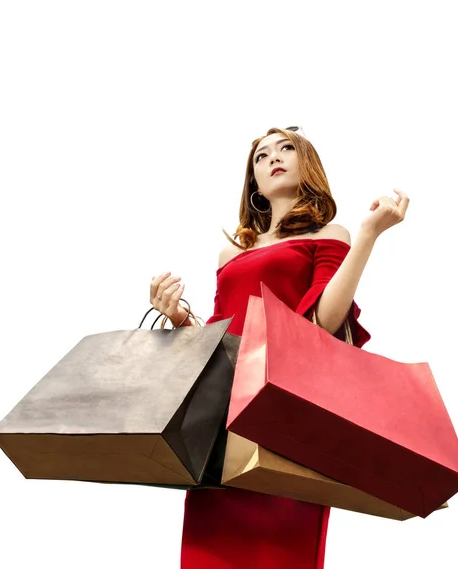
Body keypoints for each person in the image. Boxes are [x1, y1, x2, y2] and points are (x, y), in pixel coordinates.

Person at [149, 126, 409, 569]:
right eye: (260, 156)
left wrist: (367, 235)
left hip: (287, 414)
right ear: (254, 184)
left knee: (283, 551)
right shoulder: (231, 253)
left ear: (306, 162)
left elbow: (324, 324)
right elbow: (219, 334)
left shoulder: (331, 234)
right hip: (224, 422)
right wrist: (177, 319)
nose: (273, 157)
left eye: (286, 148)